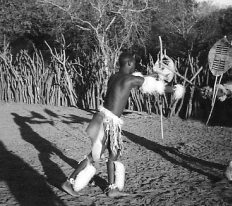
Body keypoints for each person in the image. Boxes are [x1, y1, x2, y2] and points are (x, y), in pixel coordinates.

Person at [61, 52, 185, 197]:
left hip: (102, 117)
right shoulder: (130, 79)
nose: (135, 67)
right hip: (109, 122)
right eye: (134, 64)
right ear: (129, 64)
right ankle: (73, 183)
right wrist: (176, 90)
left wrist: (157, 74)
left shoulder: (114, 77)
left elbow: (142, 79)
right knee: (105, 154)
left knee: (106, 153)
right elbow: (156, 87)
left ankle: (108, 187)